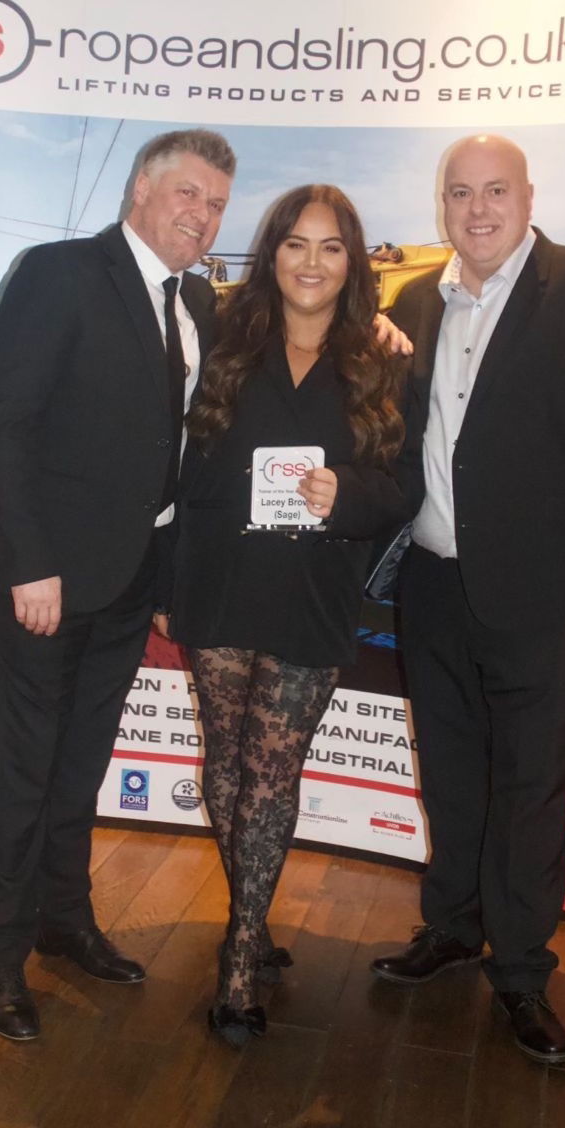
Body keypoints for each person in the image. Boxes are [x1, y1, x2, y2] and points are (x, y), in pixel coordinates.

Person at [371, 134, 565, 1064]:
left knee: (531, 790)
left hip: (550, 603)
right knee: (451, 775)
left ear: (527, 195)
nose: (477, 209)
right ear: (441, 205)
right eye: (459, 193)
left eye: (494, 190)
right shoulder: (414, 301)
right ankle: (452, 927)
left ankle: (523, 974)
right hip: (433, 585)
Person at [0, 129, 236, 1041]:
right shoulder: (59, 271)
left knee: (80, 764)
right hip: (40, 581)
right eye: (189, 195)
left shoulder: (197, 298)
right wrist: (29, 563)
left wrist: (380, 325)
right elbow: (3, 425)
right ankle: (0, 955)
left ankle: (63, 921)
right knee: (26, 769)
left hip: (129, 579)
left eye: (216, 206)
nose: (200, 217)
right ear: (140, 189)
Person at [169, 185, 421, 1046]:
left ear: (352, 262)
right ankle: (254, 913)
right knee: (227, 764)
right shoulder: (222, 342)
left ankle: (239, 960)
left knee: (273, 773)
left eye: (330, 247)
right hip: (219, 579)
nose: (310, 263)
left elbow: (403, 489)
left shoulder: (382, 360)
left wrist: (344, 494)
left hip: (312, 591)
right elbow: (185, 467)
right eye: (294, 245)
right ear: (270, 254)